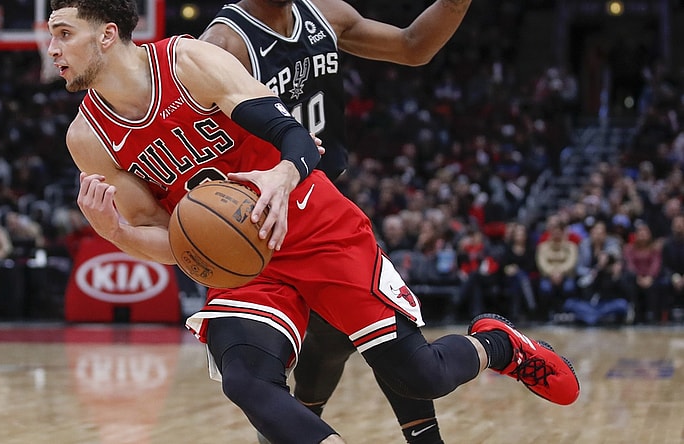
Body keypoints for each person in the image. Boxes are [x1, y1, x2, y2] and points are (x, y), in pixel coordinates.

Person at [47, 2, 580, 443]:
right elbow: (176, 243)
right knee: (246, 381)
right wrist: (117, 233)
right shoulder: (87, 138)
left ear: (107, 34)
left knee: (419, 376)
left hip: (311, 221)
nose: (52, 49)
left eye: (64, 33)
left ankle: (500, 345)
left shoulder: (188, 60)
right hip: (243, 260)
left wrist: (281, 175)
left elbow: (295, 137)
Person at [200, 2, 471, 440]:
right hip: (263, 221)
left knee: (380, 342)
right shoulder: (222, 44)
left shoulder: (327, 12)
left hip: (323, 205)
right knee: (279, 370)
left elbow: (413, 45)